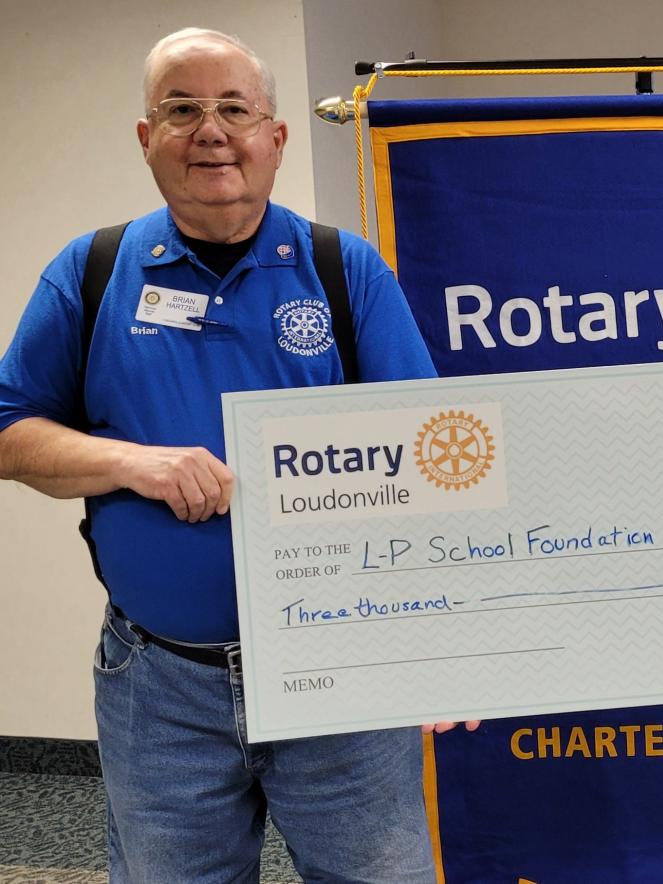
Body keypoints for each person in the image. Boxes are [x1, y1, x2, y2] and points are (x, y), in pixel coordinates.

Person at [0, 27, 474, 883]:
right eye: (181, 109)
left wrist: (440, 641)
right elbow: (8, 432)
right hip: (160, 684)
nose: (210, 131)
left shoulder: (341, 270)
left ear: (275, 138)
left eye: (234, 109)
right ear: (147, 138)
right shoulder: (95, 271)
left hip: (343, 679)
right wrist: (132, 464)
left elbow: (432, 459)